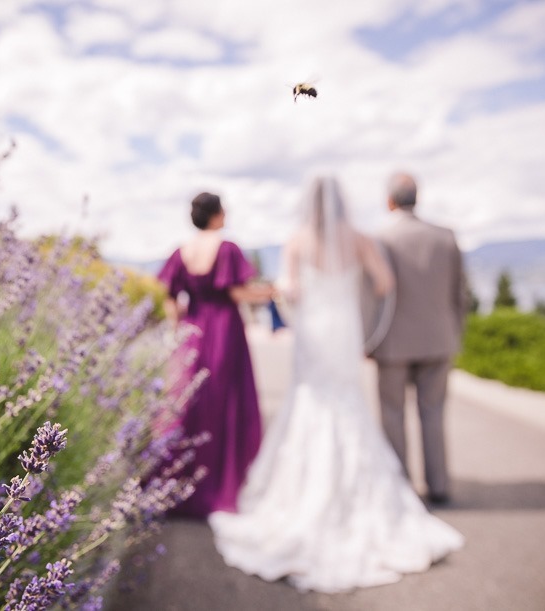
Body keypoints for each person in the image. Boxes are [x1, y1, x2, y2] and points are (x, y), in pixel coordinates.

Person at [208, 176, 463, 593]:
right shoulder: (359, 238)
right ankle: (413, 488)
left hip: (314, 331)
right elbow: (385, 283)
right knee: (350, 402)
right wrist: (353, 293)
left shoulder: (297, 240)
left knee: (313, 401)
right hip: (343, 330)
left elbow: (289, 289)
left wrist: (297, 296)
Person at [157, 191, 274, 518]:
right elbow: (237, 292)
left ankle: (180, 484)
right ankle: (223, 483)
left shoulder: (181, 251)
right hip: (223, 331)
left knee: (190, 402)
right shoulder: (226, 248)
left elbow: (169, 296)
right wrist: (269, 293)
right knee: (226, 402)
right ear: (217, 214)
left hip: (193, 332)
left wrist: (178, 325)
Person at [372, 172, 468, 505]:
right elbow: (461, 294)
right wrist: (455, 332)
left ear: (389, 200)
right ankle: (439, 485)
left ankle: (401, 487)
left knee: (392, 414)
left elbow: (372, 297)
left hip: (392, 343)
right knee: (434, 413)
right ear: (418, 197)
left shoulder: (380, 238)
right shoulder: (446, 236)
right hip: (439, 339)